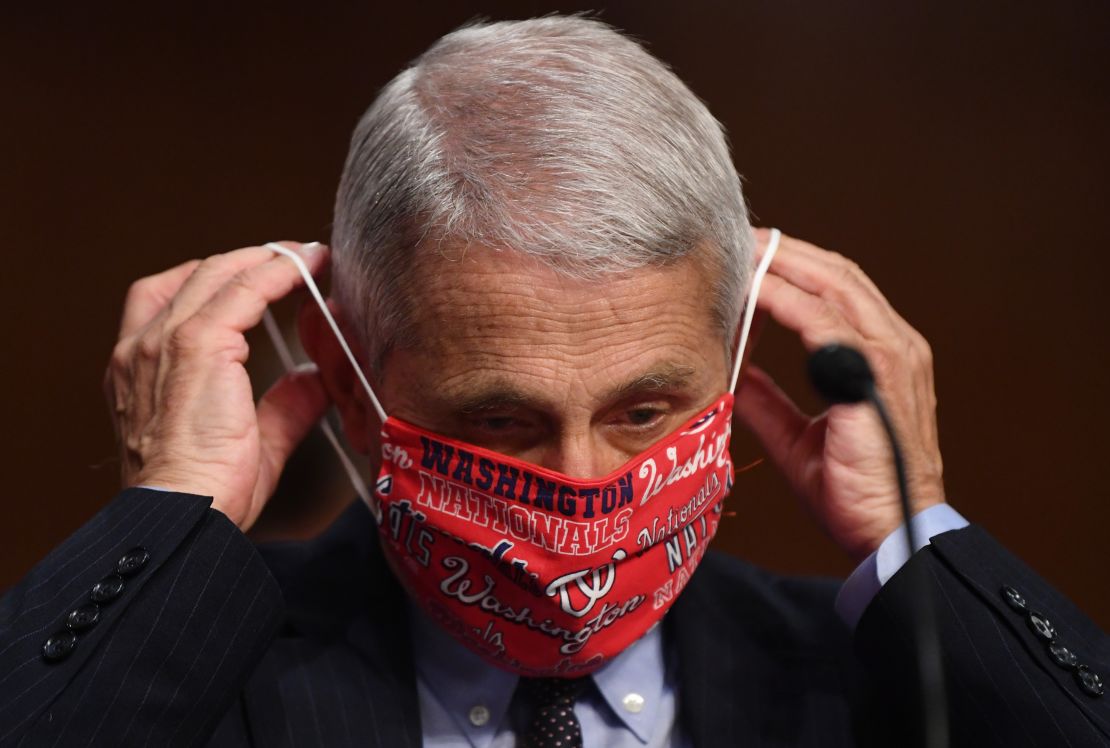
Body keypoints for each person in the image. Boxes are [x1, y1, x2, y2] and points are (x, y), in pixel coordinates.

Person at [1, 15, 1107, 748]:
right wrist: (169, 513)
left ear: (730, 369)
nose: (584, 488)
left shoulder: (889, 682)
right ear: (346, 378)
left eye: (644, 410)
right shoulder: (183, 679)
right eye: (501, 417)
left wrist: (915, 535)